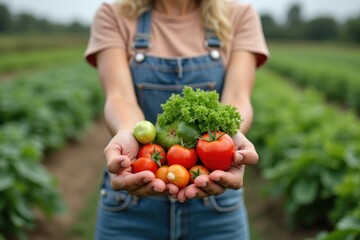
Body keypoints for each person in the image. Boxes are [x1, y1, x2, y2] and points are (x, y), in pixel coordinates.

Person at [84, 0, 269, 239]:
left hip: (215, 203)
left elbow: (237, 97)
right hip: (131, 202)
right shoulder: (114, 14)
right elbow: (119, 96)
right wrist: (131, 132)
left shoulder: (240, 14)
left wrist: (227, 135)